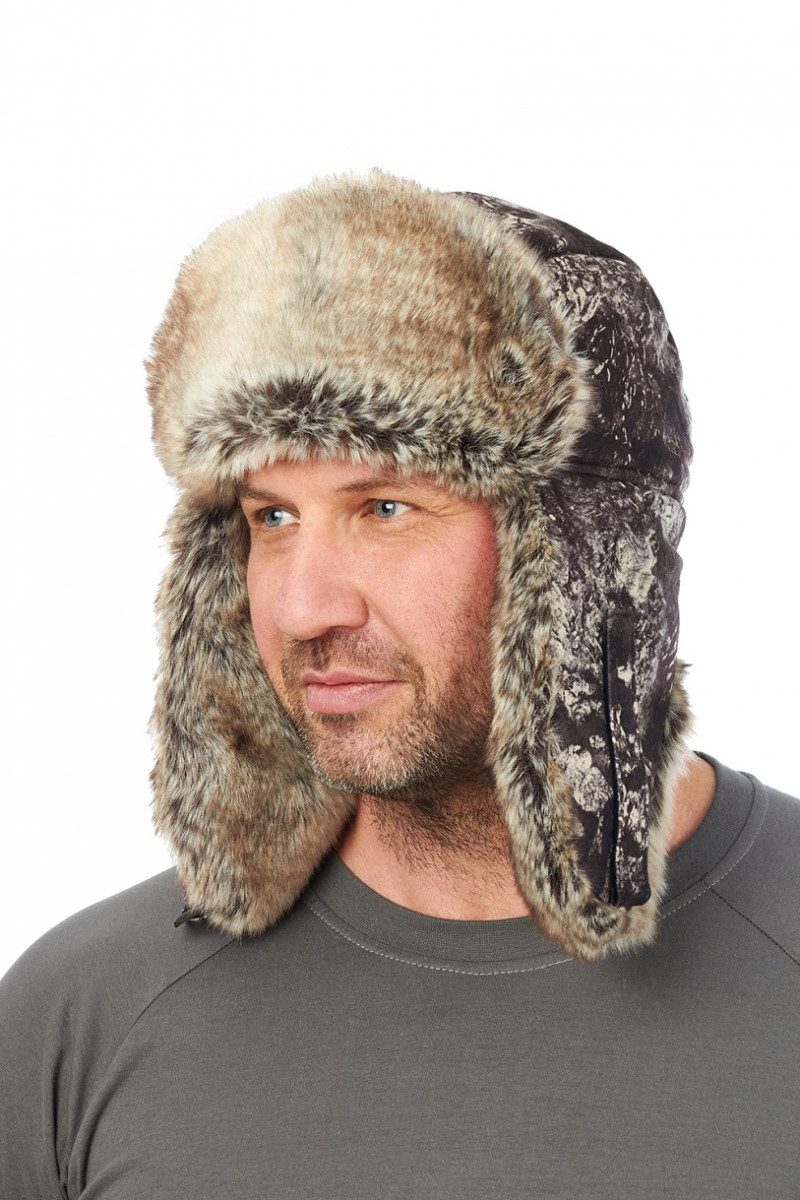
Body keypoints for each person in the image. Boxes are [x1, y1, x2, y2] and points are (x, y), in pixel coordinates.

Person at [1, 171, 797, 1198]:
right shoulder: (82, 1018)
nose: (302, 609)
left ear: (582, 553)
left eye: (383, 509)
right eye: (271, 517)